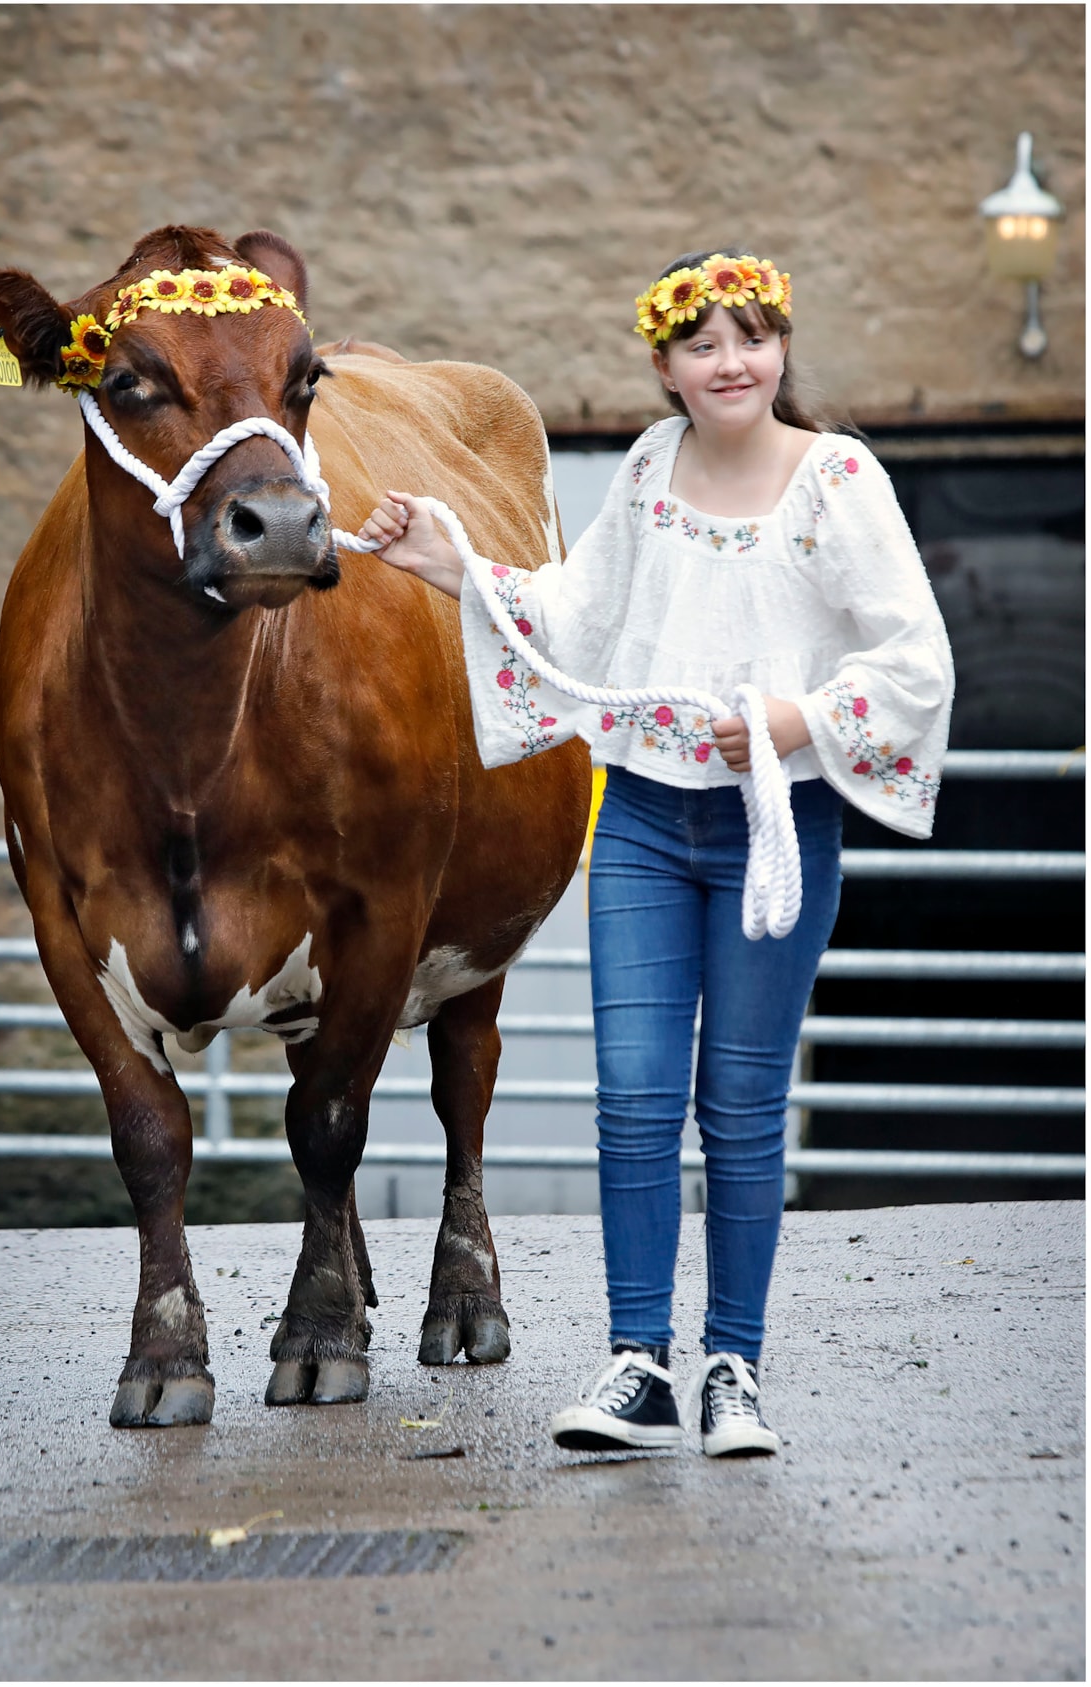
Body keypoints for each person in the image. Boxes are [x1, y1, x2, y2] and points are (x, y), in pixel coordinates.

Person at [357, 248, 954, 1457]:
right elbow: (578, 615)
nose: (729, 363)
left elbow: (914, 659)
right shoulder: (645, 467)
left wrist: (798, 721)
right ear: (665, 365)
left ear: (781, 348)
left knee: (737, 1107)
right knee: (631, 1099)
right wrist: (450, 557)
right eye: (701, 344)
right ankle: (640, 1363)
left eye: (750, 338)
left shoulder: (837, 480)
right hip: (637, 816)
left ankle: (735, 1364)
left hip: (775, 825)